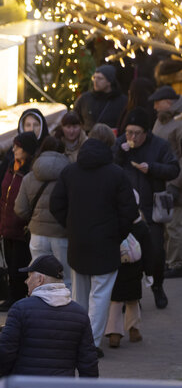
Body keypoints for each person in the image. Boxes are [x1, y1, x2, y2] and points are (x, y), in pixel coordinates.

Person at [50, 124, 137, 354]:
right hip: (106, 244)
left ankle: (78, 341)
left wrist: (71, 227)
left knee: (79, 294)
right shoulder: (116, 174)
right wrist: (117, 234)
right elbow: (129, 211)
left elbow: (56, 205)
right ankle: (91, 343)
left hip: (78, 242)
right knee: (100, 296)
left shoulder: (70, 172)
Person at [115, 107, 181, 310]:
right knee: (127, 254)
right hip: (127, 209)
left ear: (146, 132)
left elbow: (173, 169)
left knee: (155, 253)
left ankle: (157, 287)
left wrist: (152, 168)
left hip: (151, 207)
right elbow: (111, 167)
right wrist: (120, 152)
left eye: (136, 133)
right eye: (128, 132)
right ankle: (131, 298)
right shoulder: (121, 145)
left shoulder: (159, 145)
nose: (132, 136)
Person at [0, 255, 99, 377]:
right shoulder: (79, 314)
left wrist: (7, 380)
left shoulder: (20, 309)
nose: (26, 281)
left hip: (26, 387)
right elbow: (88, 361)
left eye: (29, 277)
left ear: (40, 279)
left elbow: (4, 350)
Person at [15, 136, 72, 287]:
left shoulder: (29, 177)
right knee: (65, 279)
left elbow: (20, 209)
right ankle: (65, 309)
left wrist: (34, 218)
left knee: (39, 279)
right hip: (62, 235)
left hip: (37, 234)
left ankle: (41, 309)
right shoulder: (70, 176)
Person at [0, 131, 37, 311]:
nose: (14, 149)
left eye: (18, 146)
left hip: (21, 229)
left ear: (27, 150)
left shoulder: (30, 172)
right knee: (11, 266)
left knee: (20, 267)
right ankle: (13, 297)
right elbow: (3, 200)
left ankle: (19, 299)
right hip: (7, 227)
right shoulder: (11, 167)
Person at [105, 192, 152, 348]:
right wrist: (149, 272)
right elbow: (149, 252)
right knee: (133, 301)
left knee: (115, 301)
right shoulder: (141, 227)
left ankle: (114, 334)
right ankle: (134, 330)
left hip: (116, 268)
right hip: (135, 270)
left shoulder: (113, 224)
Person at [150, 84, 182, 278]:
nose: (154, 107)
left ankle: (176, 263)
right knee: (164, 225)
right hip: (160, 178)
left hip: (174, 182)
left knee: (174, 224)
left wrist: (176, 184)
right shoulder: (161, 120)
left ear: (168, 102)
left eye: (157, 103)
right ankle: (168, 260)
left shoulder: (179, 123)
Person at [73, 64, 128, 131]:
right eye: (94, 78)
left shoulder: (122, 101)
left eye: (100, 78)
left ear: (109, 82)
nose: (95, 81)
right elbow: (75, 118)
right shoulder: (84, 98)